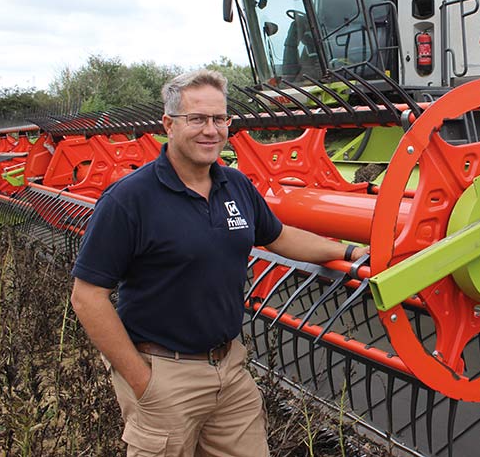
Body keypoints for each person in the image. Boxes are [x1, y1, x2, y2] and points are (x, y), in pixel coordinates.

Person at [70, 69, 367, 456]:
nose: (210, 130)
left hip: (230, 370)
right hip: (164, 372)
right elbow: (87, 296)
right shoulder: (130, 199)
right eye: (196, 119)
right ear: (168, 124)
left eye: (219, 119)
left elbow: (278, 236)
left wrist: (346, 252)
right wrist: (142, 380)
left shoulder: (235, 184)